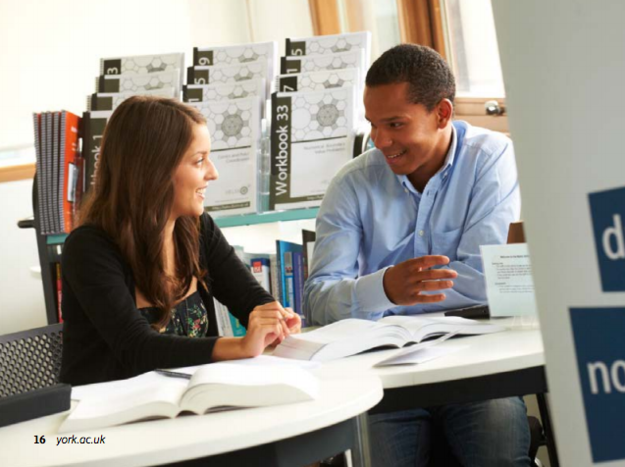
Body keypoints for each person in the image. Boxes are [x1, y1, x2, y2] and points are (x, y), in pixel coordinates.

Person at [304, 45, 529, 466]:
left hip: (476, 367)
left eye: (395, 124)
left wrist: (376, 298)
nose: (380, 140)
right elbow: (317, 299)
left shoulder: (491, 158)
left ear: (442, 114)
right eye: (373, 125)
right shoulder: (351, 184)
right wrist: (385, 288)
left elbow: (491, 279)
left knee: (500, 456)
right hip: (382, 378)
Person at [60, 96, 301, 386]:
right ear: (154, 171)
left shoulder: (198, 229)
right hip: (108, 421)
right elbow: (137, 348)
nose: (213, 173)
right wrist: (239, 346)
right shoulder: (88, 249)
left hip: (190, 405)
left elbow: (253, 302)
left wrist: (276, 321)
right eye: (199, 160)